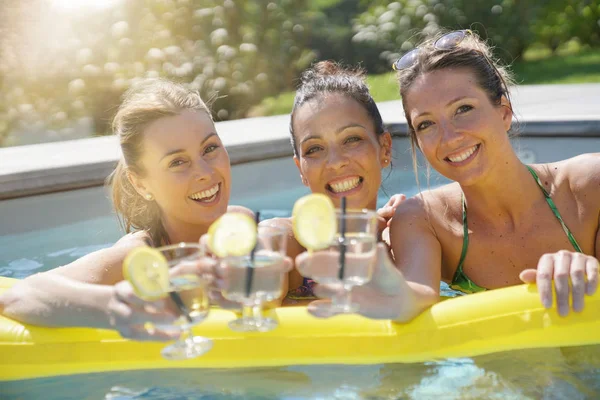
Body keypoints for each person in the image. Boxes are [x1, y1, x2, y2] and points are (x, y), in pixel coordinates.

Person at [296, 29, 599, 319]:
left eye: (463, 109)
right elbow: (416, 293)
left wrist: (586, 270)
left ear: (503, 112)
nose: (450, 137)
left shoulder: (588, 187)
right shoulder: (424, 219)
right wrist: (388, 291)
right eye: (426, 124)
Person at [0, 79, 288, 339]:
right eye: (177, 162)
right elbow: (21, 295)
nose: (204, 172)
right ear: (141, 184)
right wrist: (116, 306)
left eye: (209, 148)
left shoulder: (245, 224)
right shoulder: (139, 257)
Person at [263, 61, 405, 304]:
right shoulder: (287, 243)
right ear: (301, 170)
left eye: (351, 139)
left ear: (385, 148)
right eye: (315, 148)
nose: (336, 162)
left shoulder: (407, 239)